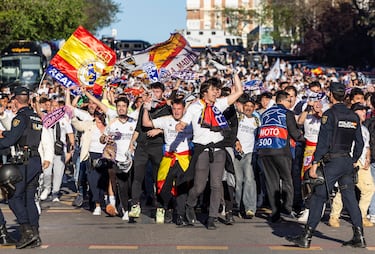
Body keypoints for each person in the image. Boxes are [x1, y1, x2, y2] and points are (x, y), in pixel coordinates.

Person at [286, 82, 366, 248]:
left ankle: (306, 237)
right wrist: (353, 160)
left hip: (333, 162)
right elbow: (360, 143)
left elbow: (322, 142)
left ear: (330, 94)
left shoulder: (329, 115)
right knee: (350, 198)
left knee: (318, 196)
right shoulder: (353, 117)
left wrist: (315, 163)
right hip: (346, 161)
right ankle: (360, 237)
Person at [176, 70, 243, 230]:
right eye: (214, 90)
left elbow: (239, 91)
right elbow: (183, 122)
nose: (217, 92)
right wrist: (180, 125)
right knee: (199, 186)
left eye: (218, 90)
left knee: (216, 184)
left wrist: (234, 75)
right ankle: (190, 204)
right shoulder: (194, 107)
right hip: (201, 150)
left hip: (218, 148)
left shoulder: (219, 104)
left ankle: (212, 218)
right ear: (205, 92)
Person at [0, 87, 46, 248]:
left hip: (23, 162)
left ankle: (27, 232)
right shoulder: (36, 117)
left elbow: (10, 141)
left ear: (16, 100)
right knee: (29, 199)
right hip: (35, 160)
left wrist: (5, 137)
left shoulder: (20, 118)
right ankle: (35, 234)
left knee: (13, 197)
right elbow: (24, 134)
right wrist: (5, 133)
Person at [256, 90, 305, 223]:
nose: (290, 104)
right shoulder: (287, 113)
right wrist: (304, 139)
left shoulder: (265, 113)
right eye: (289, 101)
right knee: (287, 180)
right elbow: (294, 133)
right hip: (281, 150)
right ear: (283, 101)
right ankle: (287, 209)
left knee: (272, 183)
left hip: (264, 150)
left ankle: (275, 212)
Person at [143, 98, 193, 225]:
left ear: (184, 110)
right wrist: (145, 108)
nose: (176, 112)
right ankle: (169, 208)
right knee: (164, 187)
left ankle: (180, 215)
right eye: (174, 109)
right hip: (169, 158)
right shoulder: (165, 120)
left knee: (182, 188)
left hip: (184, 158)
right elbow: (146, 123)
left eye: (179, 109)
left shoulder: (190, 121)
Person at [328, 102, 374, 228]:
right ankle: (334, 216)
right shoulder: (348, 126)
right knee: (345, 189)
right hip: (350, 160)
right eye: (360, 110)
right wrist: (352, 160)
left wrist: (367, 158)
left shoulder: (364, 129)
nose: (364, 113)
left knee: (369, 189)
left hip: (362, 162)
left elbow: (367, 146)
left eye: (365, 110)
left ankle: (361, 215)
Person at [129, 82, 171, 219]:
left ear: (162, 93)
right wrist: (131, 143)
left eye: (157, 92)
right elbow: (139, 127)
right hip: (142, 145)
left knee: (158, 178)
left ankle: (160, 207)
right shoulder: (144, 107)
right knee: (137, 176)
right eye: (152, 91)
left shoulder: (166, 108)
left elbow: (172, 124)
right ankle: (135, 205)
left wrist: (159, 130)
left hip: (157, 146)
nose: (154, 94)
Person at [100, 97, 136, 221]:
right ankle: (125, 210)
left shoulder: (133, 122)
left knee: (131, 185)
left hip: (131, 159)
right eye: (119, 106)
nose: (121, 108)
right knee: (122, 185)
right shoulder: (112, 123)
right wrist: (105, 139)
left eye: (123, 106)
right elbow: (102, 138)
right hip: (118, 160)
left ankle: (128, 204)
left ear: (127, 107)